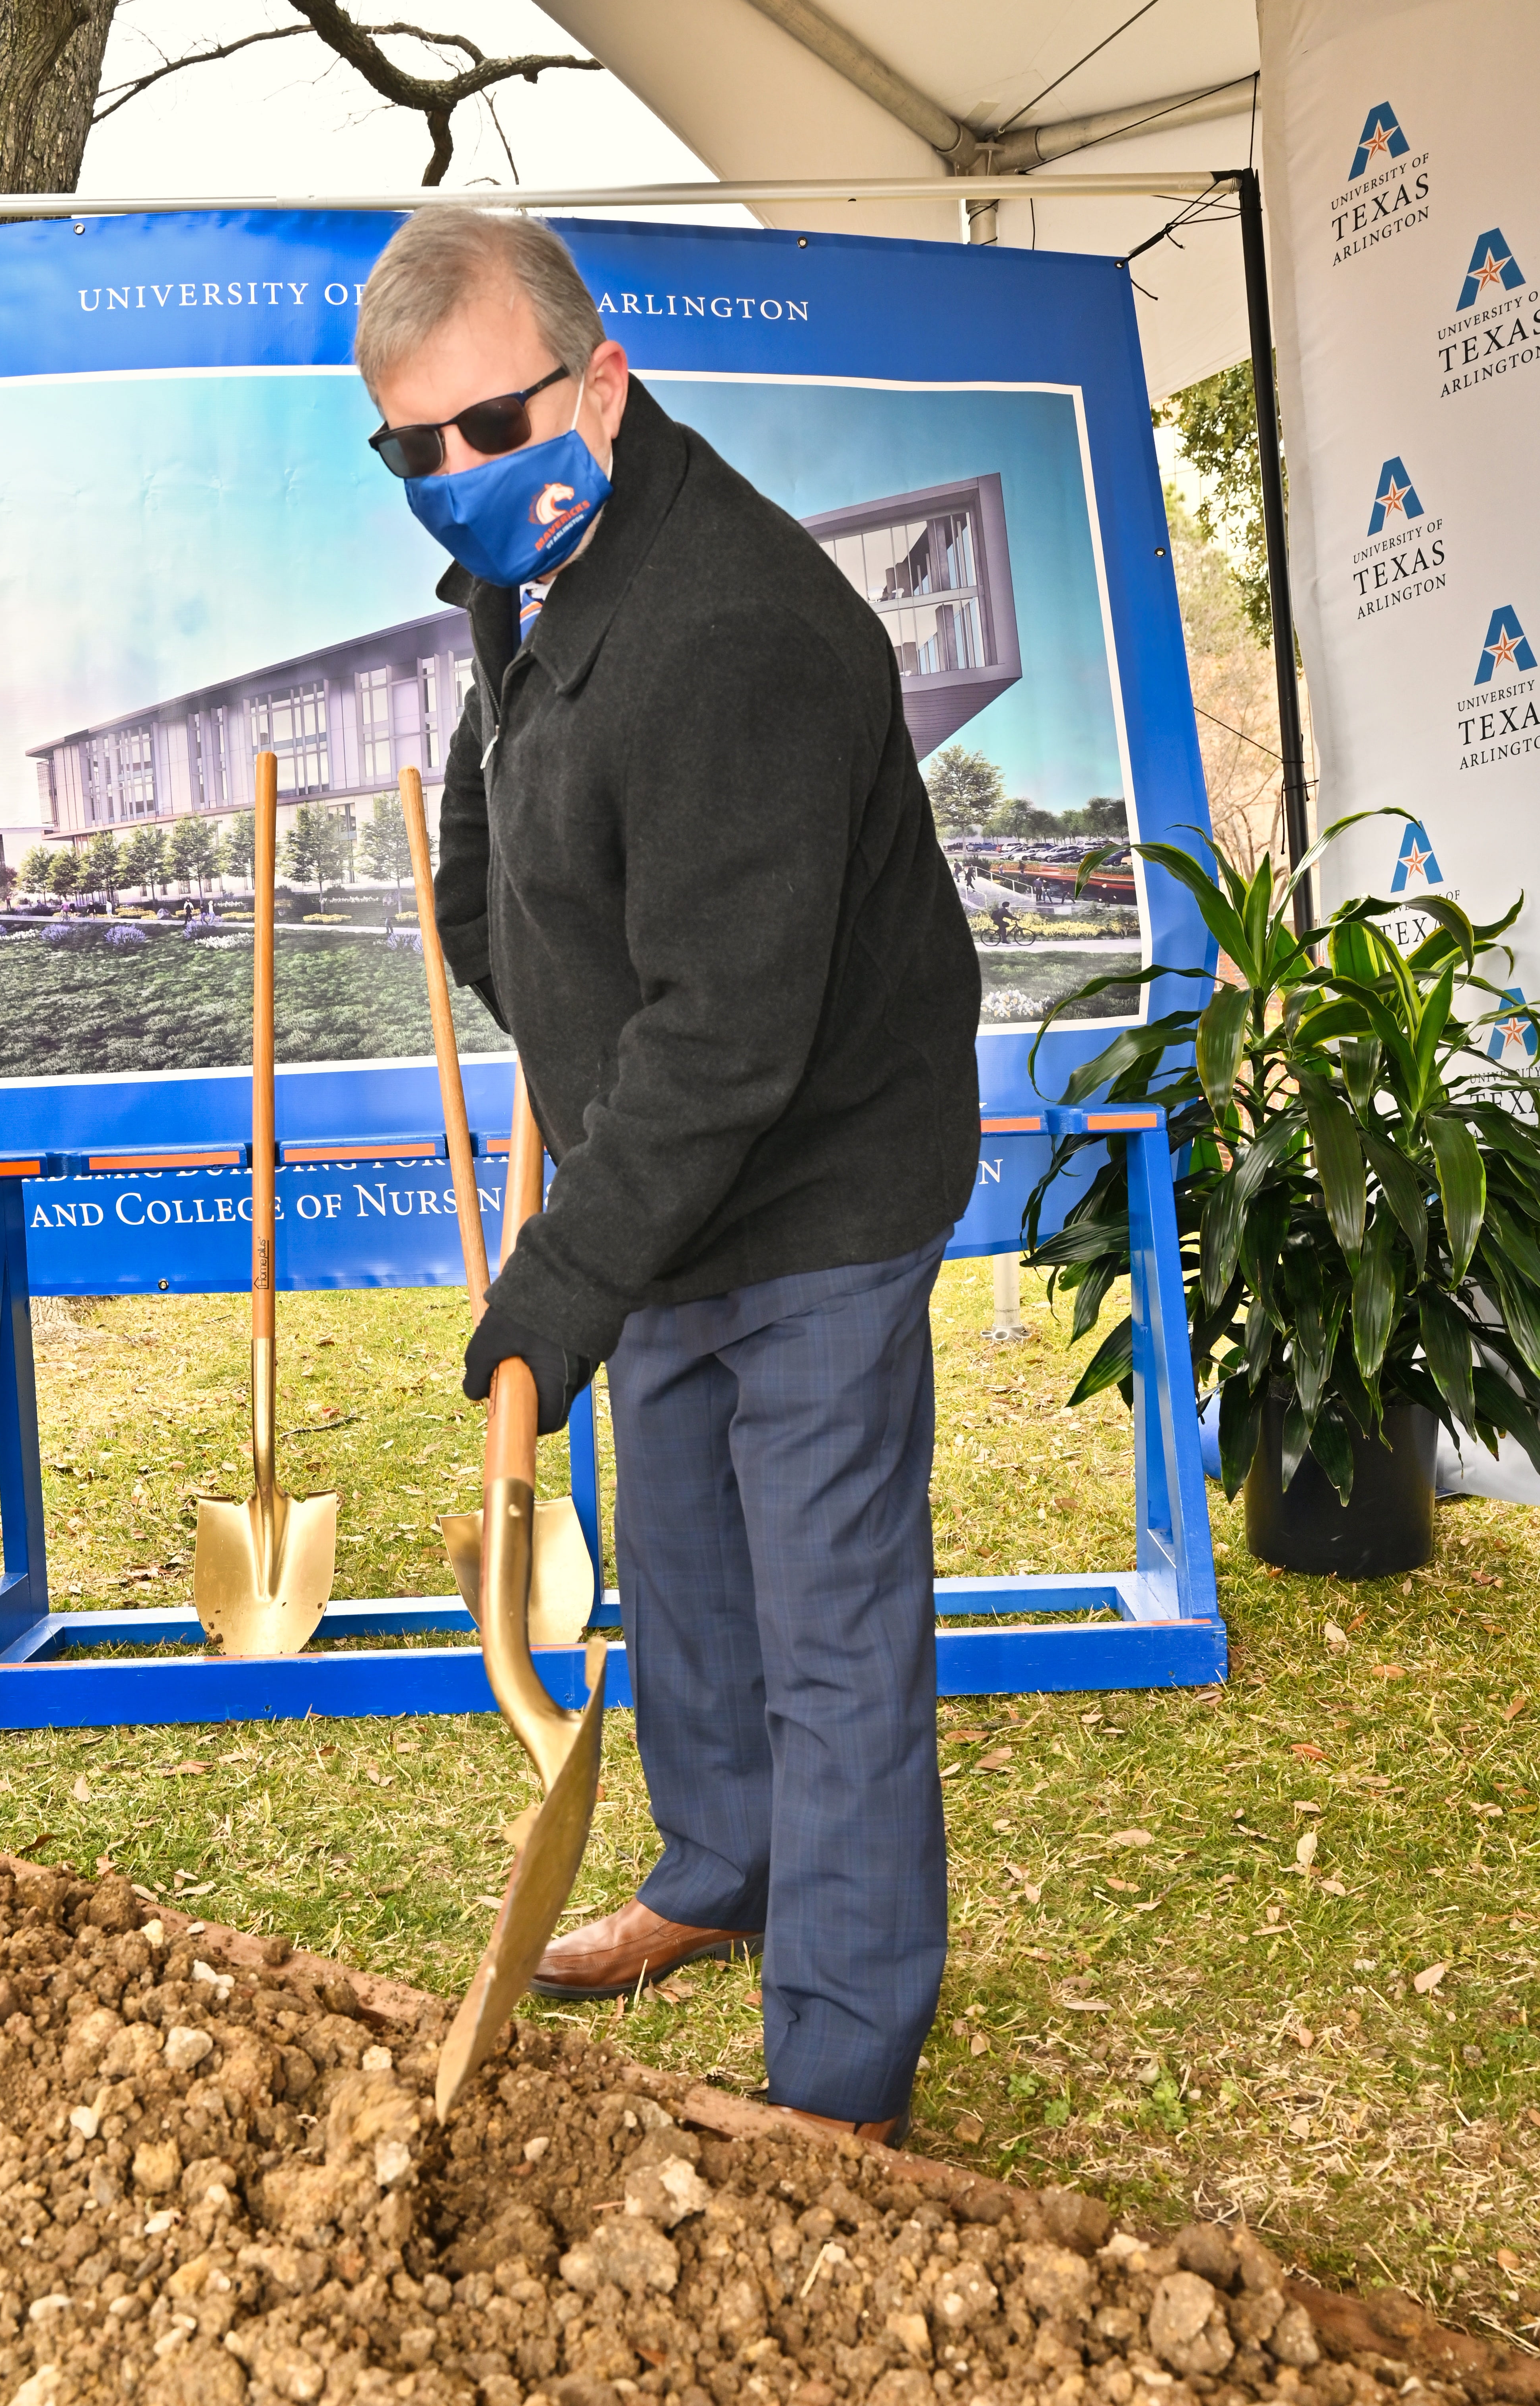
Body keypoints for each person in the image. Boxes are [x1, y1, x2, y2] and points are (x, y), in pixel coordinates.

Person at [356, 210, 981, 2141]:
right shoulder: (539, 569)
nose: (457, 475)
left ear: (600, 381)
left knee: (824, 1617)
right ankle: (720, 1872)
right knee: (690, 1568)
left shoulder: (737, 630)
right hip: (665, 1157)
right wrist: (485, 917)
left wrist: (552, 1286)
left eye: (489, 426)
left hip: (807, 1176)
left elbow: (729, 1039)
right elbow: (524, 787)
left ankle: (843, 2073)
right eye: (414, 452)